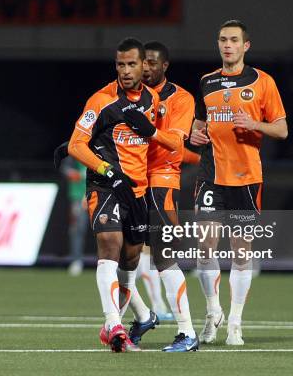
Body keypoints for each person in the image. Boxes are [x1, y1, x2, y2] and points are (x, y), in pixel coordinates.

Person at [189, 20, 288, 345]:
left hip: (246, 178)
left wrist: (255, 123)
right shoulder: (207, 81)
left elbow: (282, 129)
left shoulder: (262, 82)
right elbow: (201, 126)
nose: (227, 45)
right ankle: (212, 311)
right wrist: (194, 132)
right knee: (205, 245)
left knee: (241, 251)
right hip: (211, 176)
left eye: (233, 40)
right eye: (222, 40)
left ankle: (235, 322)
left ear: (246, 45)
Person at [67, 37, 161, 352]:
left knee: (130, 262)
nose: (124, 70)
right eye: (120, 64)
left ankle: (137, 317)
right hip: (105, 185)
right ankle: (114, 325)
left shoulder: (152, 101)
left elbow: (153, 145)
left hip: (138, 190)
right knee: (110, 246)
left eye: (131, 64)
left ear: (144, 65)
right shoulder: (101, 100)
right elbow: (75, 145)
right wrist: (107, 170)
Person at [124, 41, 199, 352]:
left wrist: (150, 130)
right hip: (132, 180)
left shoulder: (180, 98)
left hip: (162, 180)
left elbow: (176, 143)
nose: (147, 67)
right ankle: (143, 315)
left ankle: (187, 332)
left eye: (153, 62)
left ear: (164, 66)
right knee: (120, 257)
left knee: (164, 258)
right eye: (144, 62)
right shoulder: (131, 96)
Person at [60, 157, 88, 275]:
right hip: (78, 196)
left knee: (108, 230)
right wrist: (72, 173)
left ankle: (112, 262)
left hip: (100, 194)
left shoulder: (101, 147)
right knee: (77, 229)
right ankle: (76, 261)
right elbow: (65, 168)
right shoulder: (74, 150)